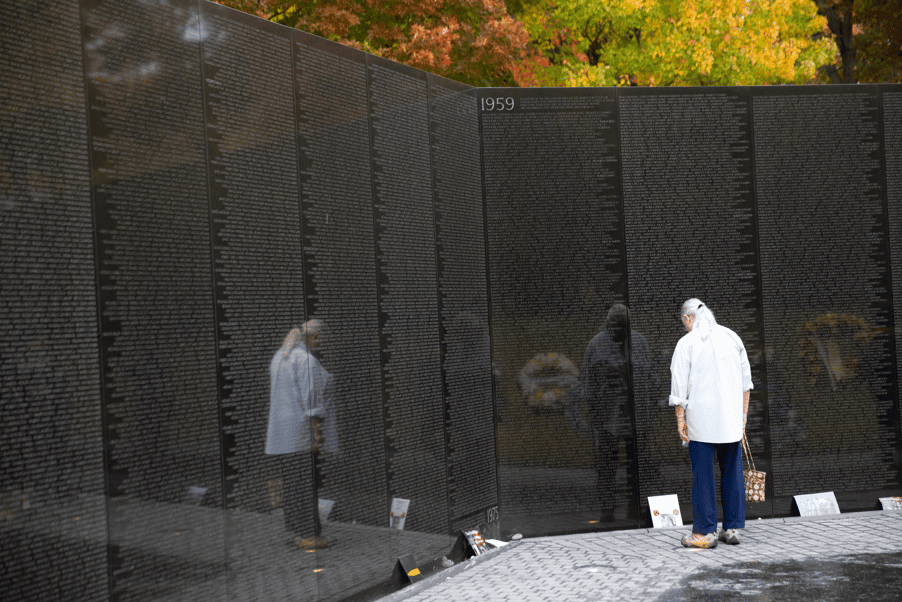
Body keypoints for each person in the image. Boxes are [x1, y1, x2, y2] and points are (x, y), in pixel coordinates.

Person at [669, 299, 752, 548]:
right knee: (732, 472)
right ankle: (732, 527)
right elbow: (746, 385)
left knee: (702, 476)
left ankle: (704, 532)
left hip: (700, 422)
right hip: (730, 420)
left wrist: (680, 421)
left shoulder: (687, 343)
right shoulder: (732, 337)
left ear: (687, 318)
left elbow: (678, 387)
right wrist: (743, 419)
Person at [566, 304, 654, 522]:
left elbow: (651, 379)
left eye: (622, 327)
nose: (618, 331)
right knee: (606, 467)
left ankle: (635, 507)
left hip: (636, 417)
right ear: (607, 325)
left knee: (637, 466)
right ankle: (607, 510)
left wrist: (647, 412)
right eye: (614, 326)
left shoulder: (640, 343)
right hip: (608, 418)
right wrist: (595, 415)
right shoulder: (596, 346)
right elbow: (587, 383)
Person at [266, 320, 335, 550]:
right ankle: (309, 535)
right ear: (312, 338)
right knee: (305, 483)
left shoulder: (280, 356)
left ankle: (294, 531)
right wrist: (316, 433)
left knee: (293, 483)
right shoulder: (306, 360)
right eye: (319, 338)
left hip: (282, 434)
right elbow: (312, 399)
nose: (321, 343)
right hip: (300, 431)